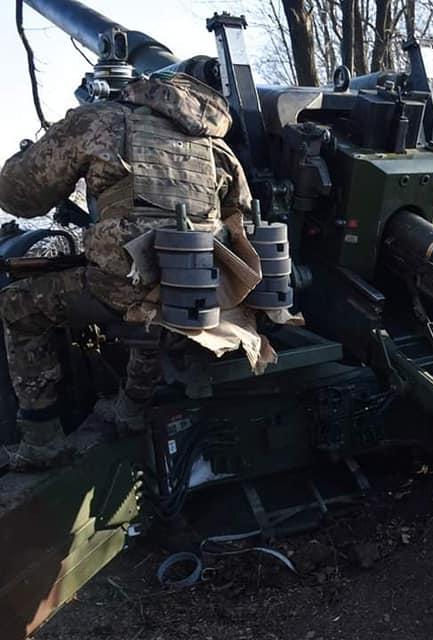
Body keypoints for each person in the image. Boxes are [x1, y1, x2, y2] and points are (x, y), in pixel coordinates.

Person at [0, 71, 251, 471]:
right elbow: (242, 216)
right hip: (198, 294)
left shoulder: (100, 120)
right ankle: (132, 406)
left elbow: (19, 195)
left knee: (19, 307)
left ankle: (41, 439)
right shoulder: (217, 146)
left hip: (124, 288)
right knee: (153, 300)